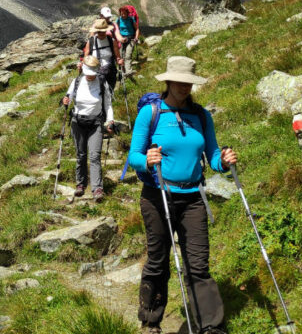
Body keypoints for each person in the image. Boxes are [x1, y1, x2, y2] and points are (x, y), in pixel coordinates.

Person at [127, 56, 237, 334]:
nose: (185, 87)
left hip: (193, 197)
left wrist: (223, 162)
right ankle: (150, 321)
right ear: (168, 81)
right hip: (157, 195)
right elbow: (134, 156)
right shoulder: (150, 113)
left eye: (189, 82)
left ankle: (210, 326)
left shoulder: (201, 115)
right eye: (180, 81)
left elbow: (211, 155)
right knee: (158, 260)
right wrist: (147, 161)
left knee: (198, 265)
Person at [62, 55, 114, 202]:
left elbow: (108, 105)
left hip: (96, 123)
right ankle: (81, 185)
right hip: (77, 122)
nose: (90, 77)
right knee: (81, 155)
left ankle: (97, 188)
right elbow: (68, 98)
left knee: (94, 156)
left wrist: (110, 121)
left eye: (92, 74)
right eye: (88, 74)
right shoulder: (77, 81)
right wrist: (65, 100)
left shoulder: (102, 83)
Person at [83, 18, 124, 90]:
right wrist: (82, 65)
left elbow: (118, 57)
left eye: (103, 31)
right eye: (99, 32)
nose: (101, 33)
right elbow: (86, 58)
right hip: (95, 72)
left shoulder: (112, 41)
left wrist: (119, 61)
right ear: (96, 31)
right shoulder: (91, 41)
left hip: (110, 72)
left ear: (106, 30)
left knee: (110, 91)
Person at [116, 5, 140, 76]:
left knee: (128, 55)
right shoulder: (119, 20)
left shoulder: (131, 19)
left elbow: (137, 29)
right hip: (121, 39)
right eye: (121, 13)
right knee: (120, 55)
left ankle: (128, 71)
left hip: (131, 39)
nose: (123, 15)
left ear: (127, 13)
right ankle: (122, 71)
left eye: (124, 13)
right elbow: (116, 30)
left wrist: (136, 38)